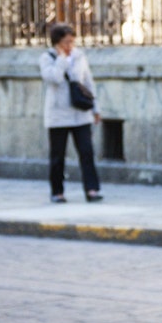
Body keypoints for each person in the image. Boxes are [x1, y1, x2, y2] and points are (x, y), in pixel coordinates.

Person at [39, 23, 103, 203]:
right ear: (57, 43)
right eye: (66, 42)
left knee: (87, 153)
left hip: (80, 113)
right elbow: (54, 78)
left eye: (72, 42)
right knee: (58, 156)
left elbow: (88, 83)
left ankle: (92, 190)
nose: (70, 46)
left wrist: (95, 108)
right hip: (58, 116)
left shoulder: (79, 56)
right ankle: (57, 192)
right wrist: (61, 59)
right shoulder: (47, 58)